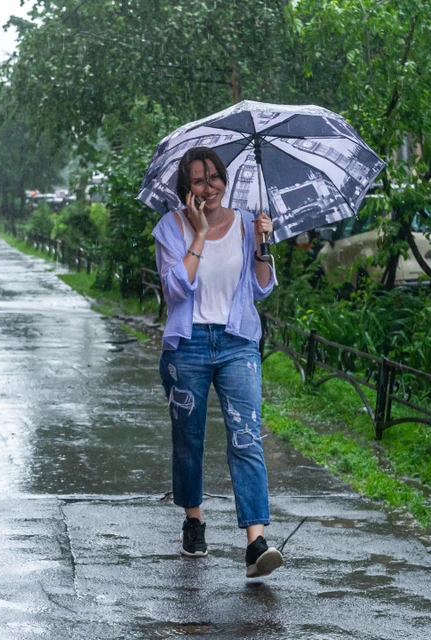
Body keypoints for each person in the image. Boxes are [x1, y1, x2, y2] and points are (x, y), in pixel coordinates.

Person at [151, 146, 281, 578]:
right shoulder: (170, 228)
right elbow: (176, 289)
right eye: (198, 180)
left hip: (237, 342)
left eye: (214, 178)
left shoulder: (246, 223)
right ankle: (194, 521)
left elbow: (261, 289)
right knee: (189, 441)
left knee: (246, 437)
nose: (209, 187)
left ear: (225, 180)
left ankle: (255, 542)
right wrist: (200, 233)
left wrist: (263, 243)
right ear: (185, 189)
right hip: (186, 347)